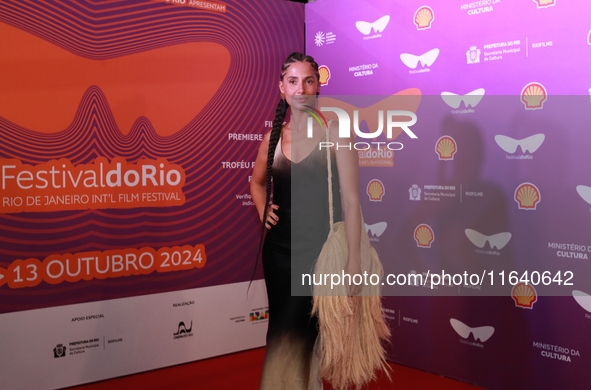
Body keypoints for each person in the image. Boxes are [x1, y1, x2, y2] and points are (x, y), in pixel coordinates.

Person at [250, 52, 361, 390]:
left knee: (304, 339)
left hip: (319, 258)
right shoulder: (272, 140)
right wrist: (262, 211)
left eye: (309, 80)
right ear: (282, 87)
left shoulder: (336, 134)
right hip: (279, 256)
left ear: (318, 86)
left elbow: (352, 201)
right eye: (293, 81)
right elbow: (255, 183)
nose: (301, 89)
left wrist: (354, 262)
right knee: (281, 334)